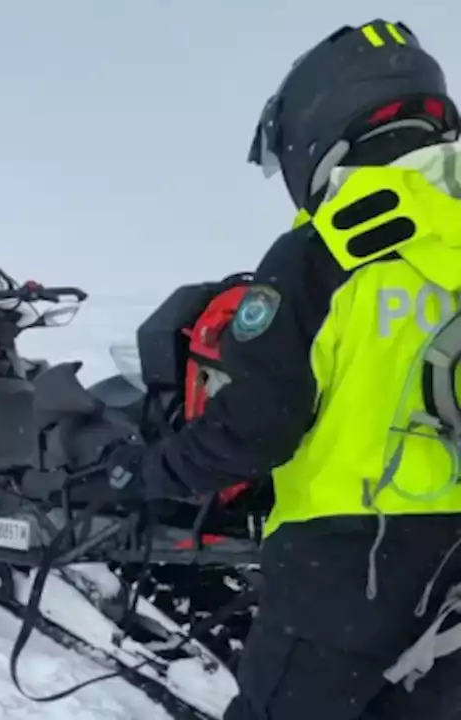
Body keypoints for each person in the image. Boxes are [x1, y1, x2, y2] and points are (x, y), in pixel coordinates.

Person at [105, 20, 461, 719]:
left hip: (349, 558)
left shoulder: (328, 247)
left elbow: (255, 429)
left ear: (319, 118)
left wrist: (145, 473)